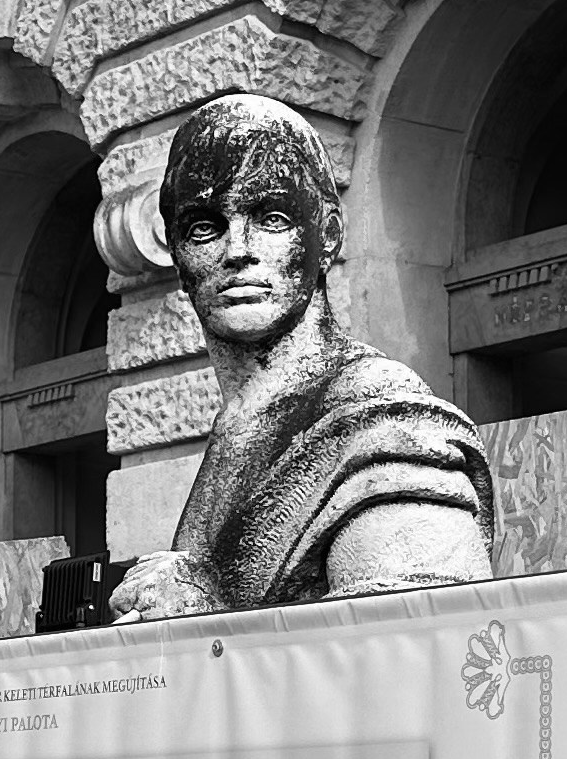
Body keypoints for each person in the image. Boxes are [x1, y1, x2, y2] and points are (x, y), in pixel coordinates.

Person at [108, 94, 495, 618]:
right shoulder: (240, 424)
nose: (237, 249)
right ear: (177, 256)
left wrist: (204, 612)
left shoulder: (384, 425)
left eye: (270, 218)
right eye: (204, 227)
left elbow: (419, 656)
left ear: (327, 235)